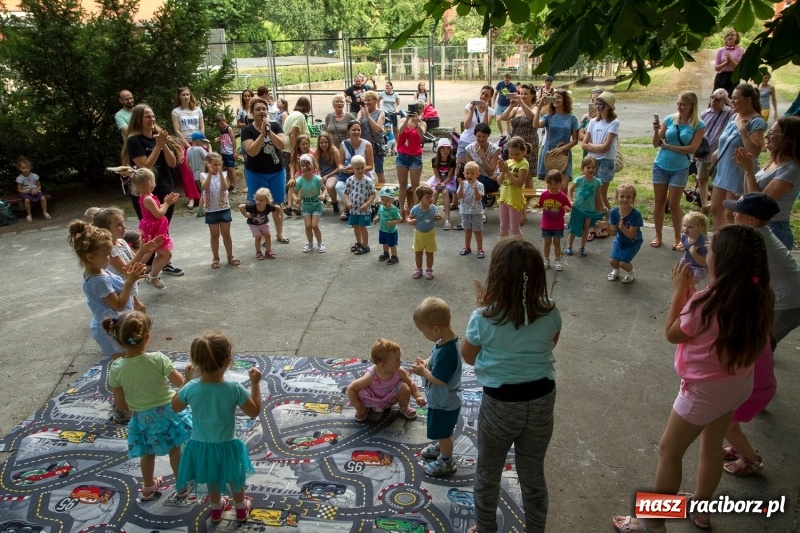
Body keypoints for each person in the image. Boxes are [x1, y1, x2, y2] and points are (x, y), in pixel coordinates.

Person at [612, 224, 773, 533]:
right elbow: (708, 324)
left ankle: (652, 523)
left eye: (710, 249)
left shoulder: (706, 303)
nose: (706, 252)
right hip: (736, 386)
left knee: (669, 451)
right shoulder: (757, 294)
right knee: (711, 447)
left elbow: (674, 333)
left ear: (723, 261)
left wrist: (678, 293)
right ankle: (700, 508)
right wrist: (690, 296)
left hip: (702, 392)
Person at [462, 237, 562, 533]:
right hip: (542, 400)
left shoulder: (483, 318)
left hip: (500, 406)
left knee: (488, 471)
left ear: (496, 275)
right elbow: (550, 344)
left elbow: (468, 356)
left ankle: (486, 528)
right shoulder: (550, 310)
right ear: (538, 276)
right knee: (532, 474)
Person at [173, 332, 262, 523]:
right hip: (228, 444)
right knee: (235, 476)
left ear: (195, 363)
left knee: (211, 476)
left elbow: (175, 406)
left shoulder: (191, 387)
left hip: (200, 446)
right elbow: (254, 411)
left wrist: (186, 380)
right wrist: (255, 384)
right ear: (227, 361)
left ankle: (216, 509)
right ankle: (240, 509)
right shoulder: (234, 388)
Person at [104, 311, 192, 501]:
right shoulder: (158, 359)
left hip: (142, 418)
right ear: (147, 337)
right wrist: (189, 377)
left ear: (118, 339)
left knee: (148, 452)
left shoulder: (116, 367)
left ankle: (148, 487)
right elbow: (180, 384)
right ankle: (182, 486)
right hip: (169, 414)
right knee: (175, 449)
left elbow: (120, 403)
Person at [724, 192, 800, 347]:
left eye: (738, 212)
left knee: (757, 345)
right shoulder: (758, 233)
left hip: (789, 303)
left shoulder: (753, 241)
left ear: (752, 220)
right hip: (781, 298)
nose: (733, 214)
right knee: (754, 342)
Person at [67, 220, 145, 365]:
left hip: (116, 324)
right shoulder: (98, 281)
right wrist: (129, 282)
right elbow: (119, 305)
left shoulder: (100, 271)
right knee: (123, 363)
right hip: (110, 330)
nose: (110, 257)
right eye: (108, 254)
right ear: (91, 257)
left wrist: (129, 277)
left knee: (130, 359)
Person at [121, 104, 184, 277]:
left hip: (164, 187)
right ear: (138, 120)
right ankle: (146, 266)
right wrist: (157, 146)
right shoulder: (134, 140)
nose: (152, 119)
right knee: (150, 231)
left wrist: (163, 145)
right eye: (147, 116)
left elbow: (172, 163)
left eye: (153, 116)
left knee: (163, 226)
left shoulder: (157, 138)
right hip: (146, 191)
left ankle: (162, 263)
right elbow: (145, 166)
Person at [411, 297, 462, 477]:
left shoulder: (448, 351)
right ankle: (442, 446)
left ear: (436, 329)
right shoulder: (447, 340)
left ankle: (446, 461)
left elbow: (440, 380)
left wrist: (423, 371)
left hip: (444, 402)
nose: (423, 335)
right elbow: (436, 359)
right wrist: (427, 362)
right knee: (443, 430)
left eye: (423, 331)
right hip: (444, 399)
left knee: (444, 433)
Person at [734, 115, 800, 249]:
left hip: (775, 229)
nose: (766, 136)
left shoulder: (790, 170)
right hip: (758, 226)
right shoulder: (774, 162)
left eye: (772, 133)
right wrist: (747, 171)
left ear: (788, 139)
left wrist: (749, 172)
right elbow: (748, 196)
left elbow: (759, 205)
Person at [651, 92, 706, 250]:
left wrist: (669, 146)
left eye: (683, 104)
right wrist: (656, 131)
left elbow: (692, 148)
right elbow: (656, 143)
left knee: (674, 204)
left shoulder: (698, 125)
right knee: (659, 202)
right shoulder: (670, 119)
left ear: (691, 105)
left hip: (680, 168)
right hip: (661, 165)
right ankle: (658, 235)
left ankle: (677, 237)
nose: (679, 107)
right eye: (678, 104)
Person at [709, 83, 766, 229]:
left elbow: (755, 151)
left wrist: (743, 130)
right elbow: (726, 141)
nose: (732, 101)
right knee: (715, 209)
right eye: (731, 98)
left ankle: (734, 241)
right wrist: (715, 156)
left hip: (738, 173)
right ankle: (720, 240)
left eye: (735, 98)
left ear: (748, 100)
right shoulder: (734, 116)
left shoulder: (756, 121)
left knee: (731, 214)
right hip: (723, 171)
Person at [91, 207, 162, 313]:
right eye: (118, 225)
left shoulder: (122, 242)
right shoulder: (109, 249)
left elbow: (138, 262)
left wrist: (151, 250)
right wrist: (141, 251)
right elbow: (126, 269)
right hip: (119, 292)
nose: (124, 227)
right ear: (106, 230)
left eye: (123, 223)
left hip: (129, 289)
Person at [119, 166, 179, 290]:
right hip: (153, 230)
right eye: (154, 180)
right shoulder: (147, 199)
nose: (155, 183)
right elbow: (159, 214)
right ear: (149, 183)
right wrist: (167, 204)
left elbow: (155, 209)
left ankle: (150, 275)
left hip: (155, 229)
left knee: (157, 253)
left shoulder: (148, 196)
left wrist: (165, 203)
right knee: (163, 254)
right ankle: (148, 275)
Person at [240, 96, 289, 245]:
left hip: (277, 171)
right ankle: (260, 234)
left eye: (264, 109)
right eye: (258, 109)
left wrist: (269, 132)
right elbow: (251, 151)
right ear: (252, 112)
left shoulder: (275, 126)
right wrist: (262, 134)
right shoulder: (247, 131)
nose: (261, 111)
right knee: (258, 204)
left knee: (277, 203)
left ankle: (280, 233)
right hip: (256, 173)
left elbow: (282, 145)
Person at [722, 342, 775, 476]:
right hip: (761, 388)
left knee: (725, 425)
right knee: (732, 421)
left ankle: (751, 459)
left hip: (751, 392)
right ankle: (738, 448)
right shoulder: (756, 331)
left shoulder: (738, 337)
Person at [346, 338, 424, 421]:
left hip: (389, 400)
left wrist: (418, 396)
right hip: (372, 401)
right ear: (383, 366)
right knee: (360, 391)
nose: (401, 362)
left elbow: (410, 382)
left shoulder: (399, 371)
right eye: (397, 360)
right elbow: (351, 389)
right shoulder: (370, 376)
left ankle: (404, 407)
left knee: (405, 388)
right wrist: (359, 407)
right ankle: (364, 409)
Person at [499, 83, 540, 217]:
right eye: (521, 93)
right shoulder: (516, 109)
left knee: (527, 174)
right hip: (514, 145)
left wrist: (521, 102)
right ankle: (513, 199)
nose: (522, 96)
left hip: (528, 144)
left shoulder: (536, 108)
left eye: (525, 94)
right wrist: (512, 105)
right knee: (513, 171)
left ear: (532, 95)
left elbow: (532, 117)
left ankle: (525, 205)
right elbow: (503, 117)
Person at [581, 91, 620, 227]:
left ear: (608, 106)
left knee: (601, 194)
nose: (597, 107)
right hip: (592, 161)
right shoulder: (593, 122)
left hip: (606, 161)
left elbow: (605, 148)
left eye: (600, 104)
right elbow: (584, 144)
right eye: (596, 104)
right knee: (592, 194)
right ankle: (596, 221)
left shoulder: (614, 122)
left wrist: (591, 146)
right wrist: (597, 146)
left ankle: (608, 222)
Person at [695, 89, 734, 214]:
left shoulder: (728, 113)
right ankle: (704, 205)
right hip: (704, 152)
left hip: (719, 154)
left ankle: (717, 203)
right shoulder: (705, 113)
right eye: (712, 97)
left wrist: (727, 98)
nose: (713, 101)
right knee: (702, 179)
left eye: (717, 99)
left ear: (723, 101)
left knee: (718, 180)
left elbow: (737, 111)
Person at [596, 183, 643, 284]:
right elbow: (613, 233)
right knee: (613, 261)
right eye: (622, 196)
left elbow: (631, 235)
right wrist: (607, 226)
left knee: (623, 263)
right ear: (617, 197)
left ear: (633, 199)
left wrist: (622, 227)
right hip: (620, 240)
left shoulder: (636, 214)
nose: (625, 199)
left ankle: (631, 273)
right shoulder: (613, 212)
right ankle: (615, 271)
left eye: (628, 197)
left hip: (633, 242)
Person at [533, 89, 579, 187]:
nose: (556, 100)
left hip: (564, 154)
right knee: (551, 186)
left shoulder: (572, 118)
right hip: (549, 153)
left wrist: (561, 149)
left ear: (565, 100)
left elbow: (575, 140)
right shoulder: (548, 117)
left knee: (563, 186)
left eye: (559, 97)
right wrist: (539, 108)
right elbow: (535, 125)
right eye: (554, 98)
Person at [201, 152, 238, 269]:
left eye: (219, 165)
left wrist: (221, 173)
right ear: (208, 164)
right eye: (214, 165)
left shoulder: (224, 174)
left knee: (226, 234)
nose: (217, 167)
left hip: (224, 209)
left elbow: (224, 187)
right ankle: (216, 257)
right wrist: (210, 173)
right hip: (211, 211)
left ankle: (230, 256)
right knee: (214, 235)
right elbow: (205, 187)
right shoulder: (203, 175)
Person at [170, 87, 203, 208]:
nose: (186, 97)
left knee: (201, 169)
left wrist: (199, 141)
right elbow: (177, 130)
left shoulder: (198, 110)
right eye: (183, 95)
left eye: (188, 94)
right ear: (179, 96)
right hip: (184, 143)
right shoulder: (176, 112)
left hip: (197, 142)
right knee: (187, 170)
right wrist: (187, 144)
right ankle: (192, 198)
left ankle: (204, 196)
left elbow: (201, 127)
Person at [566, 156, 604, 257]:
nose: (591, 169)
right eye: (588, 167)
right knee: (573, 228)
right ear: (583, 168)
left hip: (589, 209)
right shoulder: (579, 179)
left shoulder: (597, 182)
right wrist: (571, 201)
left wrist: (603, 206)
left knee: (586, 227)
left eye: (593, 167)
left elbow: (599, 195)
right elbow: (570, 190)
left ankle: (582, 247)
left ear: (596, 168)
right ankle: (569, 246)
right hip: (577, 209)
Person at [338, 120, 375, 221]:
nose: (356, 132)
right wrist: (342, 168)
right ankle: (351, 206)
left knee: (360, 188)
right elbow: (340, 163)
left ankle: (350, 209)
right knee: (339, 187)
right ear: (348, 131)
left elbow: (370, 166)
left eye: (358, 130)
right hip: (348, 175)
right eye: (353, 130)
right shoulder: (344, 144)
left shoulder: (367, 144)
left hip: (364, 174)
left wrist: (357, 169)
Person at [395, 110, 427, 219]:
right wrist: (407, 119)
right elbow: (400, 131)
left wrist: (417, 123)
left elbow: (421, 135)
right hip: (402, 156)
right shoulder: (403, 120)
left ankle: (415, 211)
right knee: (402, 184)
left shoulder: (422, 123)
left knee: (415, 185)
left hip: (415, 157)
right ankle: (401, 210)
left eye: (418, 109)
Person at [465, 123, 501, 218]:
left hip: (492, 181)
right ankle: (481, 210)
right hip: (475, 180)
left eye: (484, 136)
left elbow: (490, 172)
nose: (481, 139)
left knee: (477, 182)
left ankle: (480, 210)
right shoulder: (469, 149)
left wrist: (483, 156)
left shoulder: (495, 149)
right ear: (475, 136)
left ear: (488, 136)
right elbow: (469, 169)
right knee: (478, 178)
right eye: (479, 136)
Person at [537, 170, 571, 272]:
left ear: (560, 183)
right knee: (547, 242)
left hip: (558, 225)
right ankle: (546, 260)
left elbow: (569, 207)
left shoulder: (562, 196)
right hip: (546, 224)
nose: (553, 186)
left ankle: (557, 261)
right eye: (550, 183)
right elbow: (540, 204)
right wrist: (537, 205)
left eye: (555, 183)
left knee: (557, 243)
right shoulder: (544, 194)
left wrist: (567, 208)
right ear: (547, 183)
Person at [497, 136, 530, 237]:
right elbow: (499, 181)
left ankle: (520, 247)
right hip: (504, 198)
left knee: (515, 229)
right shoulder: (508, 162)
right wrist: (503, 171)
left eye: (517, 154)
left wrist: (507, 171)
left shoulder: (524, 163)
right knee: (503, 227)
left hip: (514, 199)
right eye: (511, 154)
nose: (514, 156)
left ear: (524, 151)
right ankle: (504, 246)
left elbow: (519, 183)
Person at [408, 184, 442, 280]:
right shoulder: (416, 209)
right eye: (427, 197)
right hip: (419, 234)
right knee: (418, 252)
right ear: (420, 198)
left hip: (430, 234)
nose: (431, 199)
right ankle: (418, 269)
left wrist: (439, 218)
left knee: (430, 253)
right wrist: (410, 221)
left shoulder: (433, 208)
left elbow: (438, 218)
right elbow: (408, 218)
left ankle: (429, 270)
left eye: (431, 196)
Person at [295, 154, 326, 253]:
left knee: (314, 225)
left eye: (308, 164)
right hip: (306, 207)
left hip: (317, 206)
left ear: (313, 165)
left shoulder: (317, 179)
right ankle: (310, 243)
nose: (305, 167)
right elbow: (294, 193)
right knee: (308, 226)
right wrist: (296, 199)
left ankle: (320, 243)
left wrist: (323, 196)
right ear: (300, 167)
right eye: (302, 165)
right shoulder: (299, 180)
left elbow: (324, 189)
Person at [457, 86, 495, 165]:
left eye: (486, 95)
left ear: (490, 97)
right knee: (460, 166)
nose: (483, 97)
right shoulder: (469, 106)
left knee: (476, 167)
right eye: (482, 93)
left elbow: (485, 128)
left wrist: (486, 111)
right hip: (466, 140)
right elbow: (466, 126)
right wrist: (472, 111)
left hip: (480, 142)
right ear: (480, 93)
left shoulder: (491, 111)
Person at [345, 155, 376, 255]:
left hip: (364, 210)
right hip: (353, 209)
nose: (360, 170)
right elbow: (346, 193)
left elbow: (373, 194)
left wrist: (367, 204)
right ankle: (359, 242)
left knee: (362, 227)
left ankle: (365, 246)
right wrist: (348, 202)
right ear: (352, 168)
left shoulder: (368, 181)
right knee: (355, 226)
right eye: (357, 168)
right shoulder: (349, 180)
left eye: (362, 168)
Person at [239, 187, 278, 260]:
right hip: (253, 225)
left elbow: (278, 207)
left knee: (268, 236)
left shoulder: (269, 207)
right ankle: (258, 252)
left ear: (267, 201)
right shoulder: (252, 206)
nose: (258, 202)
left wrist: (277, 215)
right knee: (258, 237)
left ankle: (268, 251)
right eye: (257, 199)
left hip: (264, 223)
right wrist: (246, 215)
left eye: (261, 200)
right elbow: (240, 206)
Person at [427, 138, 457, 230]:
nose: (446, 151)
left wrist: (443, 183)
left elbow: (450, 176)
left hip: (448, 180)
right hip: (438, 179)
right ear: (439, 149)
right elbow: (436, 175)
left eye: (448, 148)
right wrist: (439, 183)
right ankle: (432, 216)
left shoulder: (452, 160)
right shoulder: (435, 160)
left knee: (445, 192)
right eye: (443, 148)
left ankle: (447, 220)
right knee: (435, 192)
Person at [457, 161, 485, 258]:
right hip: (465, 211)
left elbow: (478, 198)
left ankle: (480, 249)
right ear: (464, 174)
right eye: (467, 173)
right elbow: (459, 196)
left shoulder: (480, 185)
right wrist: (461, 186)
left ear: (477, 174)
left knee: (477, 231)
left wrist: (475, 189)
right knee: (467, 230)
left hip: (476, 212)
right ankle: (467, 247)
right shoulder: (463, 184)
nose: (469, 175)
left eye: (472, 173)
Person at [359, 90, 387, 183]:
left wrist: (368, 116)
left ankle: (383, 190)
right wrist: (361, 116)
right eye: (365, 100)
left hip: (376, 146)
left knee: (379, 171)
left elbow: (377, 129)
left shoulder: (381, 113)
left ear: (375, 100)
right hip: (364, 146)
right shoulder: (361, 112)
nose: (367, 102)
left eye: (369, 100)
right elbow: (356, 126)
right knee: (362, 170)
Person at [287, 134, 316, 217]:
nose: (305, 146)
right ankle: (289, 206)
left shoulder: (312, 153)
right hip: (299, 173)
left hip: (310, 173)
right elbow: (292, 166)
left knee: (299, 182)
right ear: (298, 145)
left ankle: (298, 206)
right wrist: (292, 178)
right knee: (292, 183)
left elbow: (315, 165)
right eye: (303, 144)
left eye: (307, 144)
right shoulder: (295, 153)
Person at [677, 211, 710, 286]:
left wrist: (694, 253)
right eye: (684, 225)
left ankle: (690, 292)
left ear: (700, 228)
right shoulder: (684, 235)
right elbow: (681, 244)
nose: (685, 229)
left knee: (690, 284)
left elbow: (704, 263)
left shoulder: (703, 242)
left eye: (690, 227)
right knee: (679, 278)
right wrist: (679, 247)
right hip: (687, 261)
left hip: (699, 268)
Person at [281, 97, 312, 173]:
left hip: (285, 148)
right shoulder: (299, 116)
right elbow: (292, 133)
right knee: (291, 173)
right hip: (289, 150)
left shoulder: (293, 114)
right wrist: (294, 151)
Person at [15, 156, 49, 222]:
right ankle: (29, 215)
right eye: (23, 168)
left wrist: (36, 190)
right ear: (20, 169)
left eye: (27, 168)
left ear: (30, 168)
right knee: (27, 200)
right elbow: (19, 190)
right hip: (26, 192)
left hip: (35, 191)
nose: (26, 169)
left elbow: (39, 186)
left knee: (43, 198)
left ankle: (45, 212)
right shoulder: (19, 178)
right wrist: (27, 191)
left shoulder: (34, 176)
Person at [373, 186, 402, 264]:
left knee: (392, 244)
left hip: (391, 231)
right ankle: (386, 253)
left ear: (392, 200)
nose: (385, 202)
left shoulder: (394, 209)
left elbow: (399, 219)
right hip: (382, 229)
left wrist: (393, 222)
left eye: (387, 200)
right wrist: (376, 218)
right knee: (384, 243)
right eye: (382, 199)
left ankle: (394, 257)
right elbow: (379, 215)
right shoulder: (381, 207)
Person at [714, 30, 745, 98]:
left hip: (734, 77)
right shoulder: (720, 50)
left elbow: (738, 68)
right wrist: (726, 63)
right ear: (725, 38)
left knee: (732, 98)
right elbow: (716, 68)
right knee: (717, 98)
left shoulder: (740, 50)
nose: (730, 37)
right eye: (728, 35)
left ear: (737, 37)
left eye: (732, 35)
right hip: (721, 77)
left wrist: (730, 59)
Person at [316, 132, 341, 212]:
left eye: (326, 142)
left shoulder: (334, 151)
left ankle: (334, 203)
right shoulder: (318, 152)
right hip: (322, 174)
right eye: (321, 143)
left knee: (329, 186)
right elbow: (317, 166)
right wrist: (319, 175)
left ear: (329, 142)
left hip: (333, 174)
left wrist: (328, 175)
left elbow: (339, 167)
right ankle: (321, 200)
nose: (323, 144)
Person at [214, 113, 238, 193]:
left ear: (225, 120)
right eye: (219, 124)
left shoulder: (229, 129)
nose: (220, 125)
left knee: (231, 169)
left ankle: (235, 186)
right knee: (227, 168)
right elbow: (222, 137)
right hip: (224, 152)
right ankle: (231, 184)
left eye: (222, 123)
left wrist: (234, 152)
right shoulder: (221, 129)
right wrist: (218, 139)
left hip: (230, 152)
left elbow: (233, 140)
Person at [185, 132, 209, 212]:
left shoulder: (188, 150)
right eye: (203, 141)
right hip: (203, 174)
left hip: (196, 175)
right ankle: (202, 209)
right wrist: (210, 149)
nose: (203, 143)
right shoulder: (200, 149)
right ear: (198, 140)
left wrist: (193, 170)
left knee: (203, 191)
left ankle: (203, 208)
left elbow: (187, 163)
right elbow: (209, 157)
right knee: (205, 192)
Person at [379, 81, 400, 150]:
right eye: (386, 86)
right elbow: (377, 101)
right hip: (385, 114)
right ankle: (387, 144)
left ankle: (399, 144)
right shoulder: (382, 94)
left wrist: (397, 110)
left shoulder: (395, 94)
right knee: (386, 129)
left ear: (391, 87)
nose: (387, 87)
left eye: (388, 86)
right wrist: (379, 109)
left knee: (395, 129)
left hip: (393, 113)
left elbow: (398, 104)